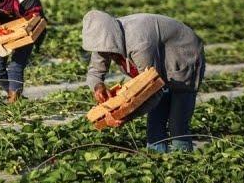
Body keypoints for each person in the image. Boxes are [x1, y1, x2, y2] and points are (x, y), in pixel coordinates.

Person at [81, 10, 205, 153]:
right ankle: (157, 165)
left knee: (177, 124)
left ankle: (184, 162)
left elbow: (152, 89)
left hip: (184, 57)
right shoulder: (103, 40)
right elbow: (95, 71)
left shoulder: (139, 43)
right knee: (155, 123)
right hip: (158, 62)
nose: (104, 52)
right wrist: (98, 86)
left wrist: (126, 115)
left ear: (111, 37)